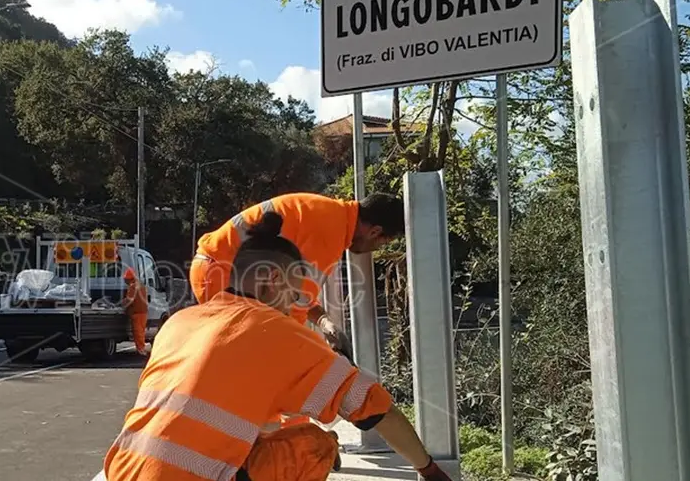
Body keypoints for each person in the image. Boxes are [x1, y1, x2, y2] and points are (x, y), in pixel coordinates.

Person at [102, 212, 452, 481]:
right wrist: (430, 469)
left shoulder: (180, 321)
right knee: (316, 445)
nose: (295, 305)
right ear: (272, 280)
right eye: (295, 294)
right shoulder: (280, 332)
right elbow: (377, 410)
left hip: (124, 469)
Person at [190, 192, 404, 347]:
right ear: (375, 232)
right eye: (382, 244)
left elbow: (296, 296)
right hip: (220, 274)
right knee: (265, 354)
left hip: (215, 269)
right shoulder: (331, 234)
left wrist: (322, 320)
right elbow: (295, 312)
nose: (375, 250)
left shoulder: (331, 214)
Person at [123, 268, 149, 356]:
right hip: (143, 312)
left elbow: (130, 300)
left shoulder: (132, 286)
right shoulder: (141, 285)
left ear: (129, 278)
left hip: (136, 312)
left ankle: (141, 349)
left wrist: (122, 306)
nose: (125, 281)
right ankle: (142, 348)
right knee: (141, 331)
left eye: (125, 279)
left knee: (138, 332)